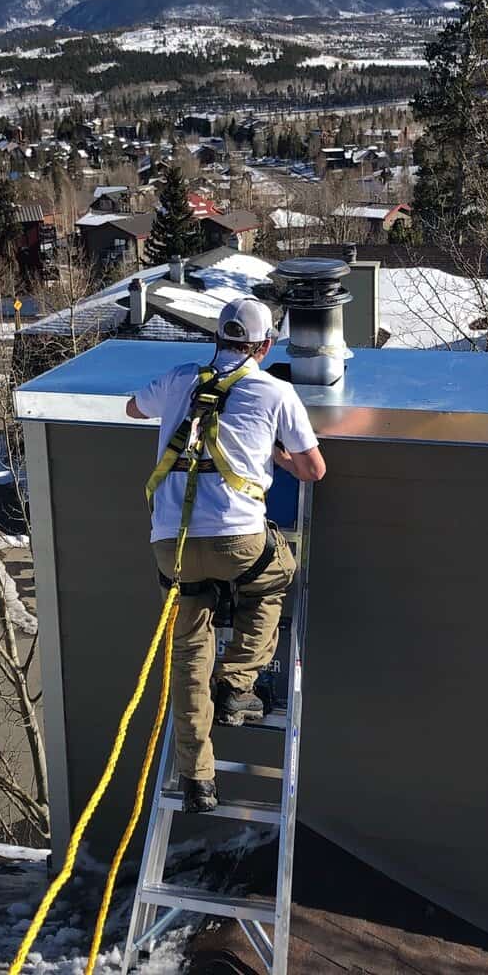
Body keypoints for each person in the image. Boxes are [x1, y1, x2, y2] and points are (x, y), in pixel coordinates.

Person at [126, 296, 326, 813]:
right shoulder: (273, 390)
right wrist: (275, 455)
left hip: (171, 544)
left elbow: (131, 407)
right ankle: (238, 683)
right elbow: (313, 470)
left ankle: (198, 779)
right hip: (238, 539)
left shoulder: (179, 378)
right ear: (265, 345)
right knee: (272, 579)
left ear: (218, 338)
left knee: (190, 649)